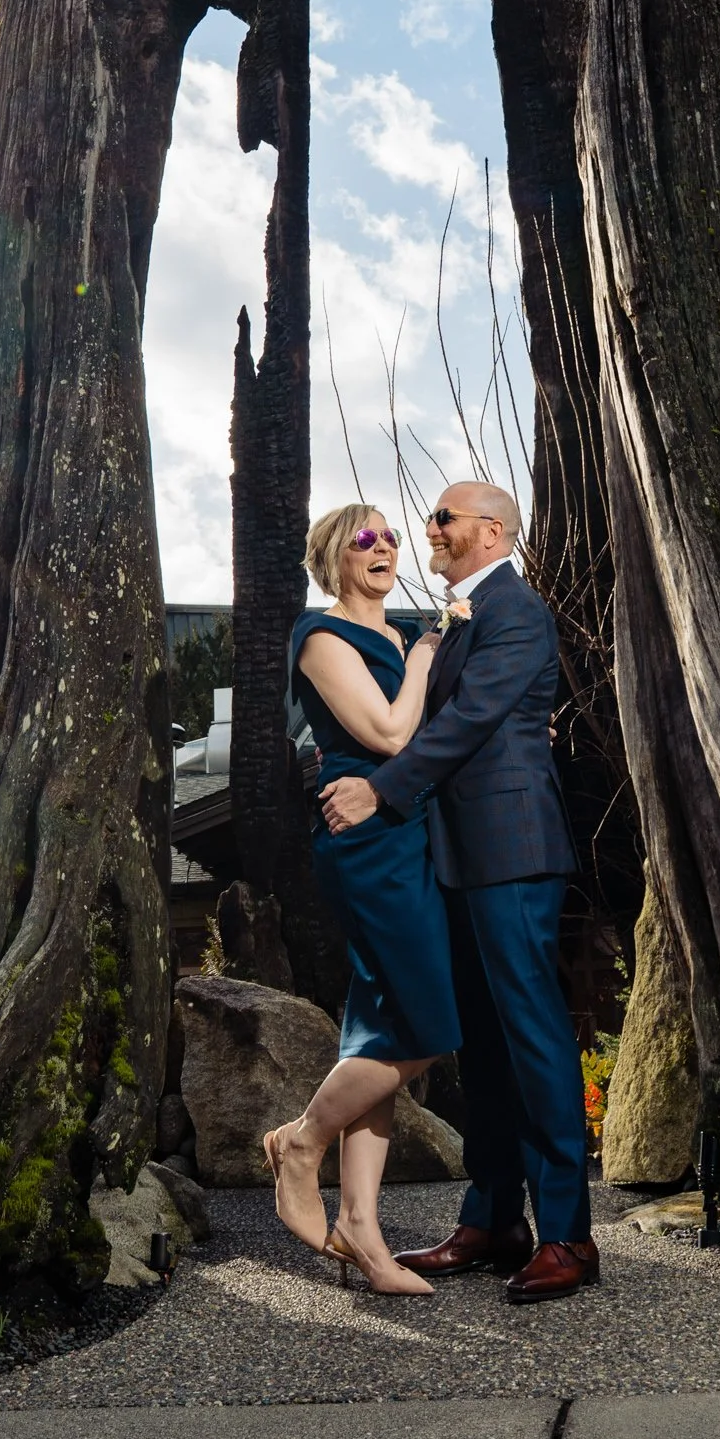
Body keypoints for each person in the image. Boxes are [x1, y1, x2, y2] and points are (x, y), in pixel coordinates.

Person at [320, 481, 597, 1304]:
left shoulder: (517, 609)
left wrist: (379, 792)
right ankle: (492, 1220)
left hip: (511, 851)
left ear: (491, 531)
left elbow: (469, 719)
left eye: (443, 517)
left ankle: (568, 1236)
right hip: (453, 858)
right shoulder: (453, 620)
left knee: (533, 1038)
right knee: (480, 1045)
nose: (428, 529)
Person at [264, 502, 461, 1295]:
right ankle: (303, 1140)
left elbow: (438, 736)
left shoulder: (403, 635)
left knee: (383, 1032)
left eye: (389, 537)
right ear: (333, 559)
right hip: (368, 842)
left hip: (417, 835)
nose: (382, 548)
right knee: (430, 1024)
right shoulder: (321, 636)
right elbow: (387, 734)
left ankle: (362, 1229)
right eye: (363, 539)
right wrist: (425, 658)